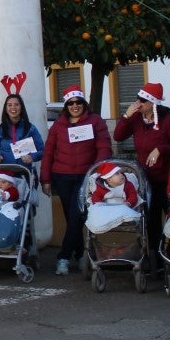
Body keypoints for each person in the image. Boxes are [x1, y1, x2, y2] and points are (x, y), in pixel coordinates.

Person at [40, 86, 111, 275]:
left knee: (76, 216)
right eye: (71, 103)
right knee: (73, 218)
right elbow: (48, 152)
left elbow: (104, 147)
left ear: (83, 103)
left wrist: (96, 172)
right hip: (62, 176)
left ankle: (63, 257)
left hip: (85, 176)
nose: (75, 106)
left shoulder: (95, 121)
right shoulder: (58, 125)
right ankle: (80, 255)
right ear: (66, 105)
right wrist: (45, 178)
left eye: (78, 102)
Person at [112, 82, 170, 252]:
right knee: (151, 220)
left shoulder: (169, 121)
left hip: (167, 179)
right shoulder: (137, 120)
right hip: (148, 179)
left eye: (143, 101)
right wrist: (126, 117)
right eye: (137, 99)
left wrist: (161, 148)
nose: (138, 103)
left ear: (153, 103)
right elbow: (118, 136)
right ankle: (156, 259)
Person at [0, 93, 45, 168]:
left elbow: (42, 150)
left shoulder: (31, 128)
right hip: (5, 174)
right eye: (9, 105)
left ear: (21, 108)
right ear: (6, 109)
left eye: (16, 104)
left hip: (25, 173)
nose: (13, 107)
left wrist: (32, 157)